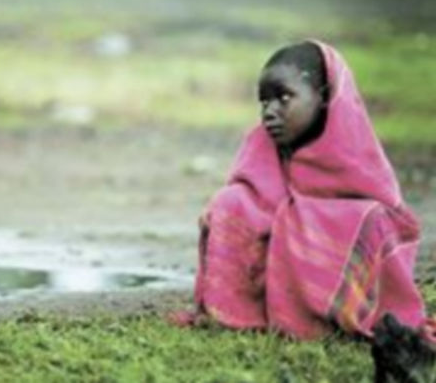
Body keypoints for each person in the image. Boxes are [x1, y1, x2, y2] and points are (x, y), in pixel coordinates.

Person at [179, 40, 432, 344]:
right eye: (264, 102)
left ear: (325, 96)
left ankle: (330, 319)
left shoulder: (352, 148)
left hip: (335, 249)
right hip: (275, 268)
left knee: (371, 219)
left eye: (284, 97)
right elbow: (250, 199)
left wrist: (304, 219)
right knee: (229, 201)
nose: (269, 112)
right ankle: (239, 312)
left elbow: (388, 217)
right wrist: (288, 216)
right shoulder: (263, 148)